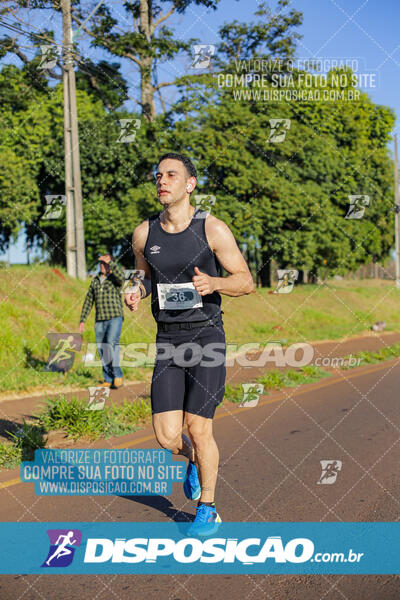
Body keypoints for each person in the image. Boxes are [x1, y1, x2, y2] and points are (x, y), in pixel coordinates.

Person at [125, 152, 254, 535]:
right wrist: (135, 290)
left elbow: (245, 280)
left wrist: (215, 284)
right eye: (158, 175)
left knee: (199, 428)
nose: (162, 180)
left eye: (171, 175)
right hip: (168, 339)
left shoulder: (212, 229)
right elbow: (142, 276)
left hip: (206, 337)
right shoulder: (144, 233)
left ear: (190, 184)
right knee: (167, 437)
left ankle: (208, 506)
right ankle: (196, 463)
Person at [79, 254, 124, 389]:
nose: (102, 266)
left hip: (115, 316)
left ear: (110, 265)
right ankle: (108, 378)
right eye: (101, 264)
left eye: (105, 264)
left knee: (111, 344)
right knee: (102, 348)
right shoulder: (95, 280)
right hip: (100, 320)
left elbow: (122, 279)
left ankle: (117, 375)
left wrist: (111, 262)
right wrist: (82, 320)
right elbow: (88, 300)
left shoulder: (115, 278)